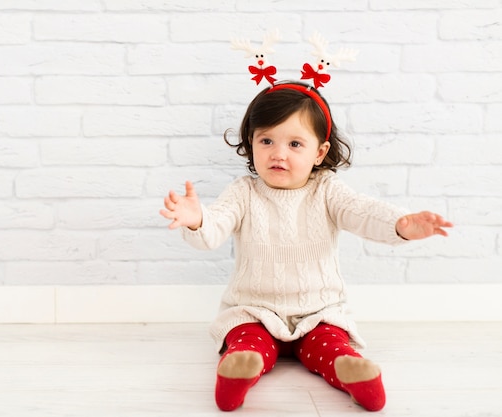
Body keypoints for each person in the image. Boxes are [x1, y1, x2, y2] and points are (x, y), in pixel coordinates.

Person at [159, 80, 453, 412]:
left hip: (318, 311)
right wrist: (197, 218)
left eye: (295, 143)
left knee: (331, 344)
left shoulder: (327, 190)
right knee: (246, 338)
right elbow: (214, 228)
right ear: (251, 143)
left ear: (320, 152)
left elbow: (363, 212)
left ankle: (351, 371)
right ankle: (241, 369)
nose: (278, 153)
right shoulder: (243, 192)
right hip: (255, 309)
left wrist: (400, 224)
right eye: (266, 140)